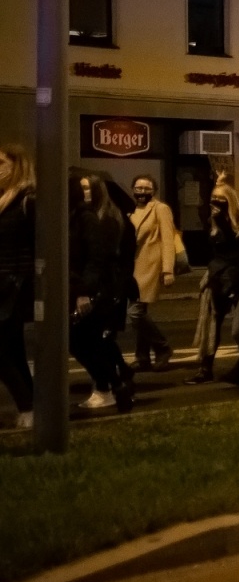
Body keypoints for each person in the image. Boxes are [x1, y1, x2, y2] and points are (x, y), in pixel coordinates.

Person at [69, 173, 134, 411]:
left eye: (87, 188)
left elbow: (99, 259)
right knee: (93, 340)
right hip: (97, 288)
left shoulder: (104, 219)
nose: (83, 192)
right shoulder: (84, 217)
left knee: (92, 340)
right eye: (81, 187)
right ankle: (116, 380)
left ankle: (110, 385)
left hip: (104, 289)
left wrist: (89, 290)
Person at [185, 183, 239, 386]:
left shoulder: (235, 220)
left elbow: (236, 249)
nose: (214, 203)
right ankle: (206, 368)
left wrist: (221, 215)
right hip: (216, 276)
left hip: (235, 278)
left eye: (220, 199)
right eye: (213, 198)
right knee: (210, 324)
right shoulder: (212, 221)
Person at [0, 145, 35, 428]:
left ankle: (28, 407)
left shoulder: (27, 199)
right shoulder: (4, 199)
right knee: (13, 351)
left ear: (18, 166)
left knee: (4, 352)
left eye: (1, 163)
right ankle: (32, 407)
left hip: (14, 284)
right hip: (3, 283)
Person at [127, 175, 177, 371]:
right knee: (140, 313)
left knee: (135, 313)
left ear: (154, 191)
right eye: (138, 188)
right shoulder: (129, 210)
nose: (142, 192)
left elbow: (168, 240)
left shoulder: (160, 209)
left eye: (147, 188)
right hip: (131, 268)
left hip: (149, 267)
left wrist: (167, 270)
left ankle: (162, 347)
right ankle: (142, 357)